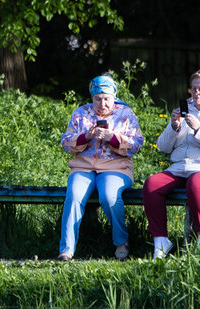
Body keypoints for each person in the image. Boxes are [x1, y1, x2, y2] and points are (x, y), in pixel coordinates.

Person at [142, 69, 200, 258]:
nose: (196, 94)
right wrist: (174, 127)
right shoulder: (185, 112)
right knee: (152, 184)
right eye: (193, 89)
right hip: (181, 168)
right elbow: (163, 147)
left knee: (196, 182)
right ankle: (161, 241)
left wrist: (199, 129)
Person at [58, 75, 144, 261]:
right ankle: (66, 249)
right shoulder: (81, 113)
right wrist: (85, 138)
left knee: (109, 195)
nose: (102, 104)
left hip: (116, 167)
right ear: (92, 98)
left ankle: (121, 243)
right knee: (74, 196)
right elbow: (65, 143)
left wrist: (111, 137)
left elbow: (136, 144)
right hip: (83, 166)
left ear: (114, 97)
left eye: (106, 99)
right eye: (98, 99)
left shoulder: (126, 114)